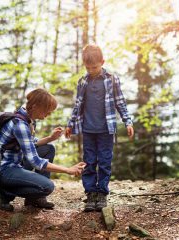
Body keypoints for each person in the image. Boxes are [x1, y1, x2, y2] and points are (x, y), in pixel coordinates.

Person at [0, 88, 86, 211]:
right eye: (47, 111)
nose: (48, 115)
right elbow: (35, 161)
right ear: (35, 106)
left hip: (15, 163)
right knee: (47, 187)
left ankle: (34, 199)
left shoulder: (28, 119)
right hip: (1, 170)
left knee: (48, 149)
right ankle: (3, 193)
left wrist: (50, 138)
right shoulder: (20, 124)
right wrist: (67, 170)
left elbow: (31, 144)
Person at [65, 44, 134, 212]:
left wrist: (128, 121)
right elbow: (78, 105)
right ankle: (90, 193)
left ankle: (102, 193)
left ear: (102, 62)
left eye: (94, 67)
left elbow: (120, 102)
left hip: (106, 130)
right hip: (88, 130)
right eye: (88, 67)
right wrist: (70, 124)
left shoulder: (111, 79)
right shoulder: (82, 81)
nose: (92, 70)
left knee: (104, 161)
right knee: (89, 162)